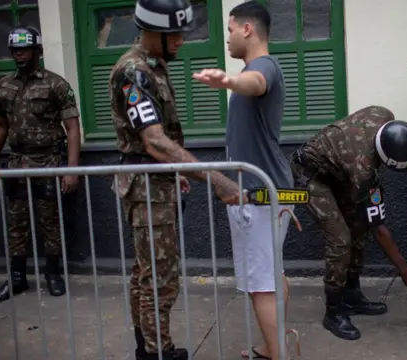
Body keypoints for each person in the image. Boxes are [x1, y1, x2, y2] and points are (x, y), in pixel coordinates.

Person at [109, 1, 245, 359]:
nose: (183, 41)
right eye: (177, 34)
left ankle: (148, 349)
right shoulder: (134, 72)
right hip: (146, 187)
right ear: (155, 32)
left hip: (155, 181)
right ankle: (158, 352)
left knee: (147, 273)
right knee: (160, 279)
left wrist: (177, 172)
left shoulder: (153, 66)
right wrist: (215, 178)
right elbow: (153, 140)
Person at [192, 1, 296, 359]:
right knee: (272, 274)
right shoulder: (261, 67)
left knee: (261, 285)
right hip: (270, 192)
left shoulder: (261, 67)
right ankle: (274, 344)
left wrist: (230, 80)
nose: (227, 38)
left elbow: (256, 83)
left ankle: (277, 353)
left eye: (230, 29)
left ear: (247, 29)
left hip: (259, 196)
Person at [289, 105, 407, 341]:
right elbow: (379, 226)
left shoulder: (384, 115)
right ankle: (333, 311)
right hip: (312, 174)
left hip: (339, 171)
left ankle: (351, 295)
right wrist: (405, 270)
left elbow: (368, 219)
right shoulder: (362, 169)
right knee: (341, 240)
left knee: (359, 228)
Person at [0, 26, 81, 304]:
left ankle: (53, 274)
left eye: (24, 49)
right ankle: (17, 279)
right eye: (15, 50)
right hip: (17, 162)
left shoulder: (56, 84)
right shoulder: (4, 85)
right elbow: (0, 125)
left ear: (37, 51)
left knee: (50, 220)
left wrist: (71, 170)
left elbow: (73, 128)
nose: (19, 55)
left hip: (48, 160)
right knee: (16, 222)